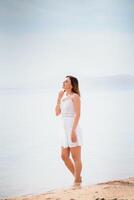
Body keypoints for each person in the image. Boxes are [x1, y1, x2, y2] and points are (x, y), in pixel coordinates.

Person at [55, 75, 83, 185]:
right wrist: (58, 98)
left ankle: (76, 181)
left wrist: (73, 131)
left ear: (71, 85)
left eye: (66, 81)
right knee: (64, 156)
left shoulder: (75, 97)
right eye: (63, 81)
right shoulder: (63, 97)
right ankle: (78, 178)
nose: (63, 83)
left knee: (76, 157)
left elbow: (78, 114)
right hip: (63, 129)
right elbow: (57, 113)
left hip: (72, 128)